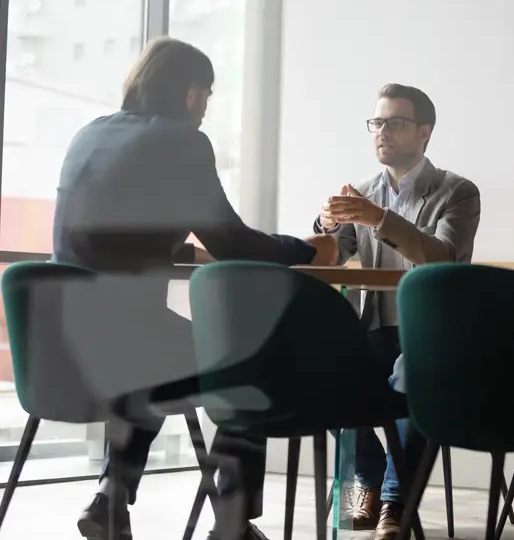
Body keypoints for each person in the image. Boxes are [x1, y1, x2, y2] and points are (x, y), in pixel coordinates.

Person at [52, 36, 338, 540]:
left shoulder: (89, 134)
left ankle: (109, 500)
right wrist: (309, 250)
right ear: (189, 93)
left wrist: (183, 252)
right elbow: (233, 241)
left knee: (161, 357)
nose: (207, 106)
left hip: (57, 340)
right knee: (251, 359)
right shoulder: (182, 141)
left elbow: (108, 234)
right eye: (208, 93)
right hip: (126, 334)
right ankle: (231, 522)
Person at [314, 83, 481, 540]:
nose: (382, 132)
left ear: (424, 132)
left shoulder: (457, 192)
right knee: (322, 368)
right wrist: (325, 224)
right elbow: (329, 252)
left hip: (432, 335)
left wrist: (378, 219)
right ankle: (364, 483)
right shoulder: (364, 192)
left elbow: (443, 256)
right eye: (377, 122)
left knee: (415, 371)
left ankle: (394, 499)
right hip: (374, 329)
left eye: (395, 122)